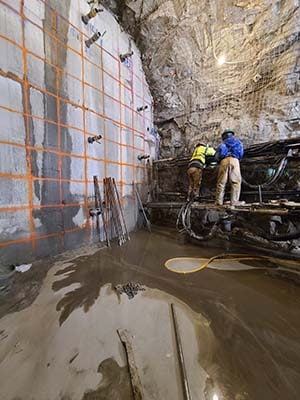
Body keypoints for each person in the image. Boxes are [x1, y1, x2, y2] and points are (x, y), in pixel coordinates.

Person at [215, 129, 244, 206]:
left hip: (223, 161)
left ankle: (219, 202)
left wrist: (220, 161)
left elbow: (217, 157)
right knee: (236, 182)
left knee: (221, 182)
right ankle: (234, 202)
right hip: (235, 160)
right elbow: (241, 153)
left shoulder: (222, 144)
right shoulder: (238, 142)